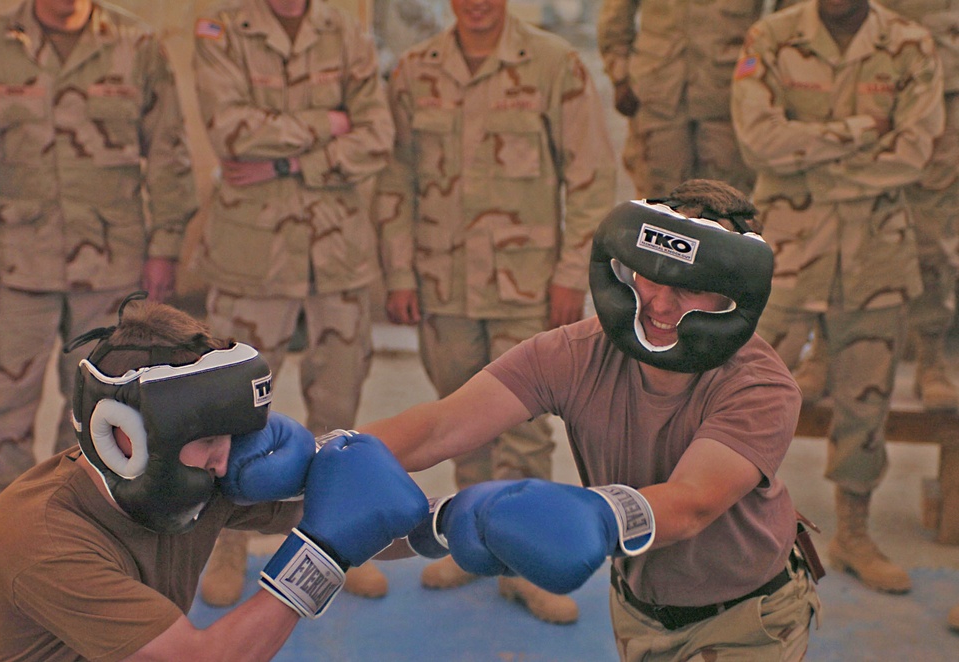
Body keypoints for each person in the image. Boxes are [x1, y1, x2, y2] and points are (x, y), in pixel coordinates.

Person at [364, 180, 821, 660]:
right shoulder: (579, 351)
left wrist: (597, 518)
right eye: (651, 277)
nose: (661, 306)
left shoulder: (759, 384)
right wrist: (323, 455)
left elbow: (692, 503)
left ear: (729, 293)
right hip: (635, 609)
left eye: (690, 287)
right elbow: (442, 426)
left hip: (746, 621)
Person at [0, 295, 427, 660]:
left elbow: (353, 509)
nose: (225, 461)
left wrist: (447, 529)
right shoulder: (41, 533)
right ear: (124, 436)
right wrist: (319, 556)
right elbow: (202, 657)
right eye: (206, 438)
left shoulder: (199, 472)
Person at [373, 0, 616, 623]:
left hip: (527, 284)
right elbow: (394, 180)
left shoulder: (554, 65)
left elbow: (589, 177)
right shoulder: (412, 71)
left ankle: (525, 564)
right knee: (457, 415)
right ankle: (473, 544)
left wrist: (572, 274)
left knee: (526, 428)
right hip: (441, 284)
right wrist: (399, 271)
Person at [0, 0, 199, 612]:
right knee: (4, 407)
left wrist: (166, 246)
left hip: (112, 266)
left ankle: (115, 554)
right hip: (14, 264)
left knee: (117, 414)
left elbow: (168, 151)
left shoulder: (137, 45)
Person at [730, 0, 944, 593]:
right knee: (739, 395)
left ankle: (853, 532)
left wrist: (808, 167)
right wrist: (854, 136)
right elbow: (758, 143)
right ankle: (736, 533)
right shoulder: (771, 37)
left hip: (876, 255)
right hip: (787, 256)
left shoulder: (908, 44)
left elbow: (914, 152)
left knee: (866, 401)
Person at [191, 0, 395, 604]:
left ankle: (337, 544)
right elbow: (227, 129)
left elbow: (377, 135)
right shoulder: (221, 28)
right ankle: (226, 546)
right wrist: (328, 123)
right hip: (251, 258)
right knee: (230, 415)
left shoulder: (346, 33)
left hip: (338, 254)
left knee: (341, 411)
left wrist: (284, 158)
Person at [791, 0, 959, 411]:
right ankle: (823, 355)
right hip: (848, 76)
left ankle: (932, 359)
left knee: (930, 232)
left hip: (941, 82)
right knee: (833, 224)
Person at [596, 0, 764, 197]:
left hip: (728, 99)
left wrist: (772, 78)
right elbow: (616, 16)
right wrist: (620, 75)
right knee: (658, 196)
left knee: (725, 199)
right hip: (658, 93)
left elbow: (788, 18)